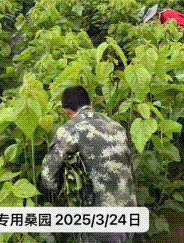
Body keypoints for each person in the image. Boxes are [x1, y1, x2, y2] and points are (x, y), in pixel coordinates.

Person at [41, 86, 137, 243]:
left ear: (66, 112)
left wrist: (70, 186)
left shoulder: (70, 129)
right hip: (129, 211)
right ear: (91, 104)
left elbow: (48, 178)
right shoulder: (117, 127)